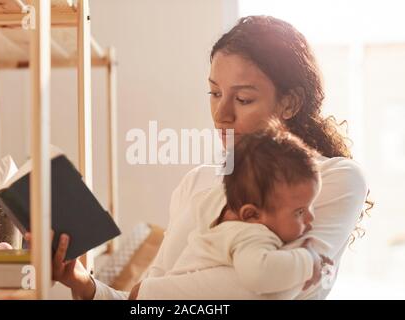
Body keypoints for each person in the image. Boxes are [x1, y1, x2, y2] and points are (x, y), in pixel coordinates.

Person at [28, 15, 370, 300]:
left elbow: (266, 290)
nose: (221, 114)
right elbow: (145, 295)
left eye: (244, 99)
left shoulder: (333, 178)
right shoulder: (197, 182)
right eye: (215, 93)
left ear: (290, 103)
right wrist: (82, 283)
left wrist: (145, 294)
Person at [166, 120, 334, 298]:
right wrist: (308, 261)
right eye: (299, 212)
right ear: (251, 214)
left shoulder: (216, 211)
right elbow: (259, 275)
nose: (310, 218)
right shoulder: (251, 234)